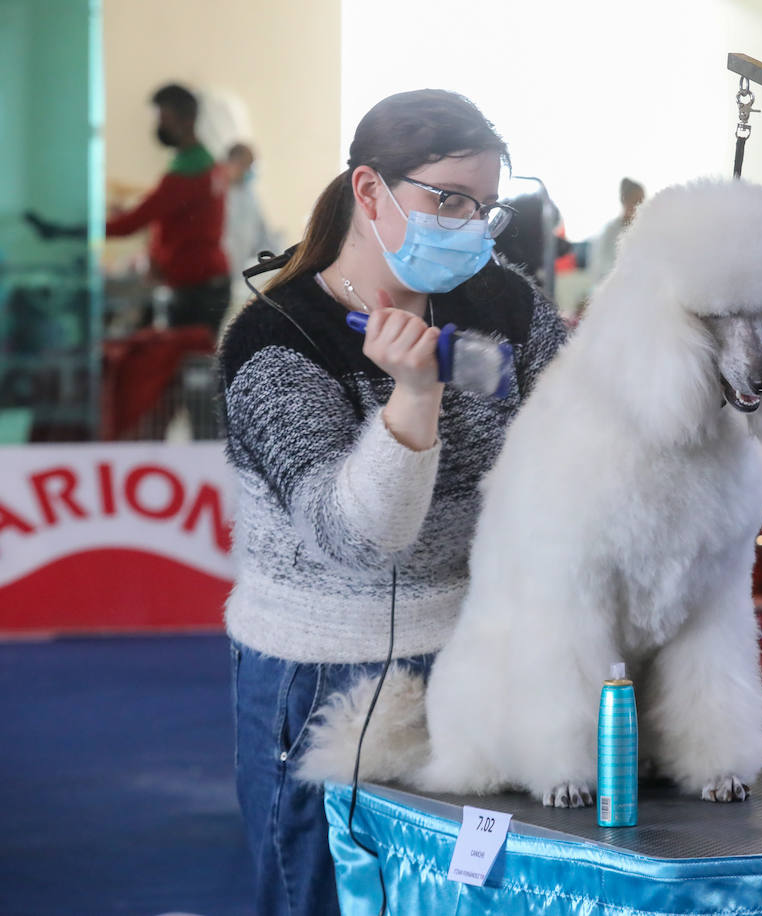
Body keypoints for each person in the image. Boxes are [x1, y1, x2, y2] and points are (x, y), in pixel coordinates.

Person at [217, 89, 567, 916]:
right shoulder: (278, 342)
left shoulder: (496, 305)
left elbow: (577, 403)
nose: (466, 227)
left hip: (483, 661)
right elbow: (357, 540)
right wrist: (412, 402)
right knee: (325, 898)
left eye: (483, 209)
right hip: (322, 685)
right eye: (446, 200)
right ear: (370, 192)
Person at [29, 83, 231, 330]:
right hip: (207, 281)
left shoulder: (187, 174)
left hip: (197, 288)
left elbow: (130, 225)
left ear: (187, 120)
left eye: (165, 118)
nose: (159, 127)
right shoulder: (206, 164)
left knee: (186, 362)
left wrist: (64, 231)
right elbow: (173, 215)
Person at [220, 141, 280, 331]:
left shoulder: (249, 196)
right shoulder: (215, 192)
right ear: (231, 163)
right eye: (245, 167)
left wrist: (279, 263)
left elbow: (263, 236)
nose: (248, 173)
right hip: (213, 275)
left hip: (235, 277)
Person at [587, 177, 645, 283]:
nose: (641, 206)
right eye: (636, 201)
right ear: (624, 201)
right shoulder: (610, 232)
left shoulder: (646, 230)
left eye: (642, 201)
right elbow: (598, 268)